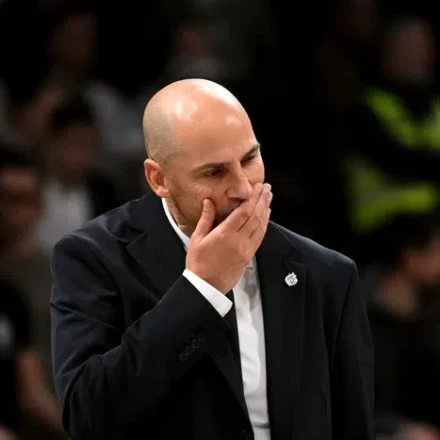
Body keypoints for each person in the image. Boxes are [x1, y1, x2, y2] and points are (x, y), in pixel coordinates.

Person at [50, 78, 374, 440]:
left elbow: (354, 425)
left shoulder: (326, 273)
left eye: (249, 159)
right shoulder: (92, 258)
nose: (243, 188)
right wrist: (201, 290)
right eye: (214, 172)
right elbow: (87, 416)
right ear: (158, 179)